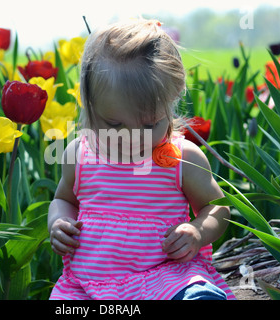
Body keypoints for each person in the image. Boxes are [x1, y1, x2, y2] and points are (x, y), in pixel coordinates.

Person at [47, 18, 235, 300]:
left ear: (173, 99)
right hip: (90, 284)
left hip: (165, 277)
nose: (133, 138)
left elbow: (217, 209)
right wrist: (59, 223)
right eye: (114, 124)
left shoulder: (181, 159)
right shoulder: (80, 154)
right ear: (89, 105)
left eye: (150, 125)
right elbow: (64, 200)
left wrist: (197, 231)